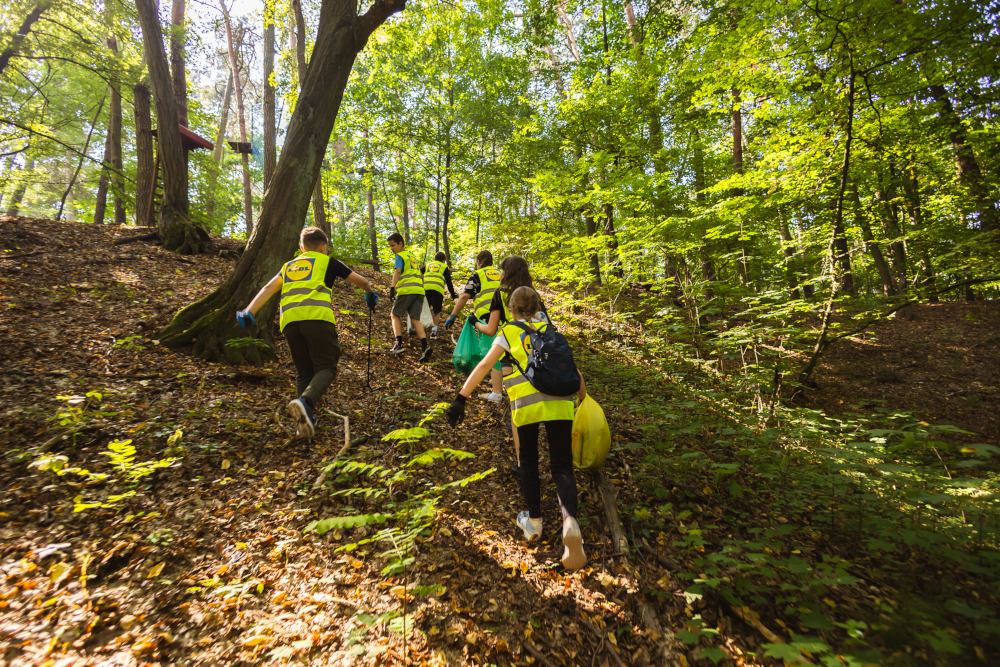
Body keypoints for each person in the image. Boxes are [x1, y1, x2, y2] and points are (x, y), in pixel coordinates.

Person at [445, 286, 588, 571]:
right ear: (537, 307)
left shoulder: (509, 331)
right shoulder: (549, 327)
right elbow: (571, 366)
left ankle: (534, 523)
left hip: (527, 405)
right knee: (562, 465)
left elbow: (486, 364)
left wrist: (461, 398)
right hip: (562, 402)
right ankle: (570, 521)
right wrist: (584, 398)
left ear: (511, 308)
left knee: (529, 461)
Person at [236, 227, 377, 439]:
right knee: (327, 366)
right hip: (317, 318)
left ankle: (304, 421)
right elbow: (363, 281)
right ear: (324, 247)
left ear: (302, 248)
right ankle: (305, 402)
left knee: (304, 372)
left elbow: (267, 288)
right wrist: (369, 294)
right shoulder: (327, 261)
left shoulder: (289, 266)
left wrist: (249, 311)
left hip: (290, 322)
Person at [473, 255, 548, 471]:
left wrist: (474, 322)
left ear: (507, 271)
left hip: (511, 355)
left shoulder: (501, 294)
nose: (500, 273)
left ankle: (521, 461)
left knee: (518, 409)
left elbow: (490, 329)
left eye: (502, 270)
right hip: (535, 354)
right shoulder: (532, 294)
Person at [444, 250, 503, 399]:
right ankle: (504, 381)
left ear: (478, 262)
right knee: (506, 349)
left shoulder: (478, 274)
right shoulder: (502, 273)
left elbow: (465, 296)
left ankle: (497, 393)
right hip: (508, 315)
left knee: (494, 351)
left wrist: (453, 315)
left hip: (489, 316)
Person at [386, 232, 432, 362]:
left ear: (401, 244)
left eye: (393, 245)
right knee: (414, 319)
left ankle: (399, 343)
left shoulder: (400, 256)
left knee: (395, 315)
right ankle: (425, 346)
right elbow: (421, 276)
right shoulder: (412, 257)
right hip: (419, 290)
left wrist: (392, 287)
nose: (391, 248)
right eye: (390, 246)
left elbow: (398, 271)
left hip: (407, 290)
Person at [421, 251, 458, 339]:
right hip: (437, 290)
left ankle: (420, 329)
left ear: (434, 258)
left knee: (425, 309)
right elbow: (449, 282)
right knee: (436, 312)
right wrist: (453, 294)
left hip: (426, 289)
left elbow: (419, 273)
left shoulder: (428, 265)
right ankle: (433, 333)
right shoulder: (444, 266)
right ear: (444, 260)